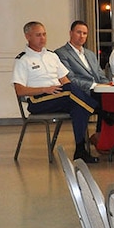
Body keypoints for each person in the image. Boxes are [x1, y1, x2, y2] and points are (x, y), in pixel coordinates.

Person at [13, 21, 98, 163]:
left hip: (61, 96)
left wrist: (63, 89)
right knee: (70, 92)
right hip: (38, 100)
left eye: (44, 34)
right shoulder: (23, 60)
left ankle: (80, 150)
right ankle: (100, 110)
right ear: (27, 36)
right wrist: (45, 89)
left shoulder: (52, 56)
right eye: (38, 35)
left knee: (78, 107)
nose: (43, 38)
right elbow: (19, 90)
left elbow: (65, 80)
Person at [54, 20, 108, 138]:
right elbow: (70, 80)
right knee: (106, 102)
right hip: (81, 93)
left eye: (85, 33)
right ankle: (101, 137)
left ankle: (112, 137)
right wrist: (94, 86)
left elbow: (100, 75)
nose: (82, 36)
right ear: (71, 33)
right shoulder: (61, 53)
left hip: (97, 90)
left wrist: (108, 85)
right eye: (79, 32)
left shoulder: (90, 54)